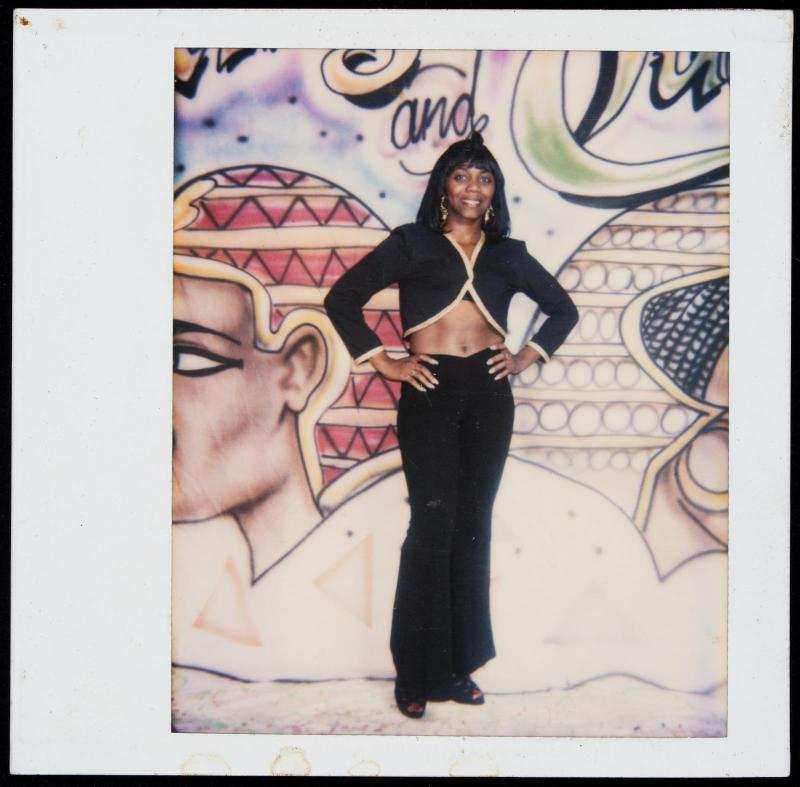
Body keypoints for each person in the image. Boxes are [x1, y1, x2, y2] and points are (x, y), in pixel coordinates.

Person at [324, 131, 580, 718]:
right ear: (443, 185)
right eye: (462, 176)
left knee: (473, 528)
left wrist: (525, 355)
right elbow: (343, 298)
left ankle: (457, 666)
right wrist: (384, 360)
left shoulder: (509, 253)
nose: (473, 187)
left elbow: (563, 309)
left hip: (490, 396)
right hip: (430, 390)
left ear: (495, 193)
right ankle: (414, 672)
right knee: (431, 528)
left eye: (485, 178)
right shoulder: (412, 243)